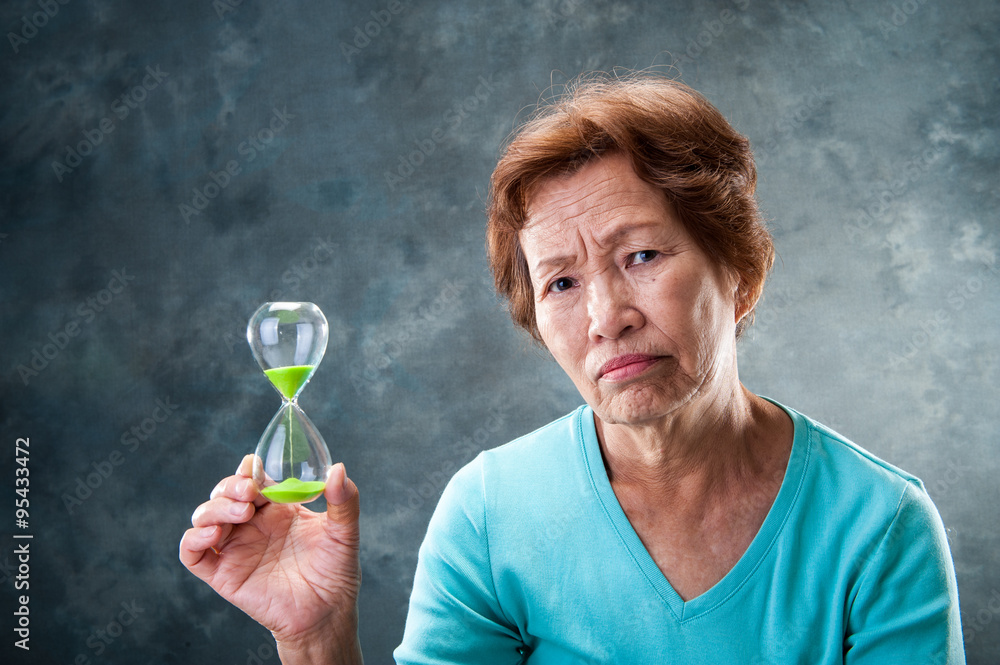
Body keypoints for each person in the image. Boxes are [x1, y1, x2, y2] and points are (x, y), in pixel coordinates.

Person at [180, 72, 965, 664]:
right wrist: (317, 639)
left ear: (741, 273)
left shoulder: (879, 525)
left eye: (642, 255)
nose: (605, 316)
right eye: (561, 282)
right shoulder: (488, 515)